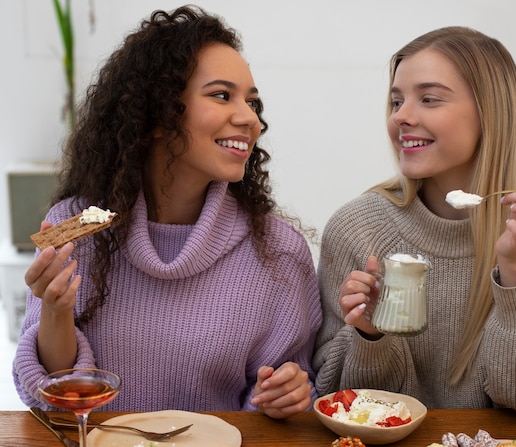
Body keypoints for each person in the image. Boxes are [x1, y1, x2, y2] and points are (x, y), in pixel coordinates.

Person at [13, 5, 322, 419]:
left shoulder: (279, 250)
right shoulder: (76, 227)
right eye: (221, 95)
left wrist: (286, 396)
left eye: (253, 102)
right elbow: (50, 397)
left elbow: (288, 393)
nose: (250, 119)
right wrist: (54, 309)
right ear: (157, 115)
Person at [313, 26, 516, 424]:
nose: (402, 117)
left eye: (428, 99)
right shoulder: (357, 229)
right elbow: (332, 400)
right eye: (396, 101)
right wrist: (371, 336)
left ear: (489, 113)